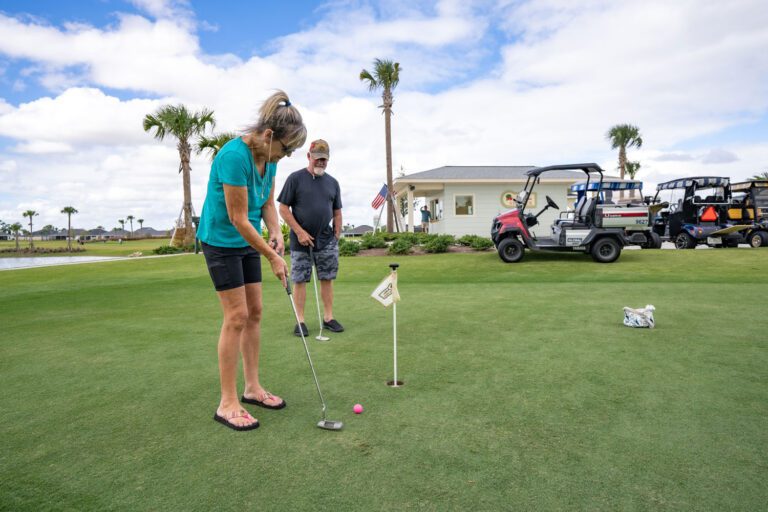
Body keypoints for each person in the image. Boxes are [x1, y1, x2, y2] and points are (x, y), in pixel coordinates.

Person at [196, 90, 306, 431]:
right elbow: (238, 218)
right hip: (221, 240)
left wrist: (276, 233)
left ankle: (252, 388)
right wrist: (271, 256)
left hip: (247, 242)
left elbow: (267, 204)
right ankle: (227, 402)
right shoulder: (233, 156)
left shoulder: (269, 160)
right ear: (269, 135)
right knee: (237, 316)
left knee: (255, 312)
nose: (286, 156)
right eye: (286, 149)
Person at [278, 139, 344, 337]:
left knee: (327, 278)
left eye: (324, 159)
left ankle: (329, 318)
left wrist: (336, 235)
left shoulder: (333, 183)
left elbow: (337, 211)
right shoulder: (295, 179)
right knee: (299, 280)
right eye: (317, 158)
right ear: (309, 156)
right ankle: (300, 321)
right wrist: (299, 232)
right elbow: (283, 208)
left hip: (326, 241)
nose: (320, 162)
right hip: (301, 241)